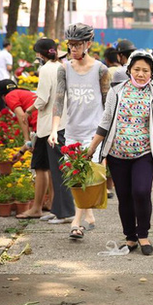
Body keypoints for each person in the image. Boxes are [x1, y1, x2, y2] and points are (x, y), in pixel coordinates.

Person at [86, 51, 153, 255]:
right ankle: (130, 237)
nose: (140, 74)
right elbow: (106, 121)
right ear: (129, 70)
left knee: (141, 192)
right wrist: (93, 148)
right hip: (116, 155)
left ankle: (143, 234)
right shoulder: (116, 91)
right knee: (125, 196)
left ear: (151, 73)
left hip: (144, 154)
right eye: (136, 69)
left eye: (145, 70)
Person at [48, 23, 110, 240]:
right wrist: (54, 129)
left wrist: (108, 134)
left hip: (94, 133)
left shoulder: (101, 69)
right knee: (75, 179)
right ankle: (89, 215)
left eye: (77, 44)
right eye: (70, 44)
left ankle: (76, 223)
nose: (73, 48)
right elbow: (58, 101)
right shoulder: (63, 69)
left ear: (88, 44)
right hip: (72, 131)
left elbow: (107, 103)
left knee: (87, 176)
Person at [14, 38, 75, 223]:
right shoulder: (60, 66)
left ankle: (65, 212)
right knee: (44, 166)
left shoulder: (47, 69)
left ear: (40, 54)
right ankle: (54, 209)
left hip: (51, 126)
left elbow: (42, 98)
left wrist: (28, 111)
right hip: (50, 126)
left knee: (57, 170)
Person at [0, 41, 14, 110]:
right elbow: (9, 67)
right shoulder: (8, 55)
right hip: (4, 78)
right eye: (11, 46)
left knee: (0, 95)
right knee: (6, 95)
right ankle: (5, 111)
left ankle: (1, 111)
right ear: (8, 46)